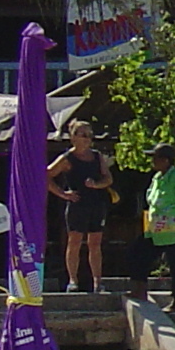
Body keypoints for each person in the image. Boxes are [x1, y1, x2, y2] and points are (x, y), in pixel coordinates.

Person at [129, 143, 175, 315]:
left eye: (156, 158)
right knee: (138, 253)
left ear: (166, 160)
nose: (153, 161)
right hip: (156, 229)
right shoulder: (157, 178)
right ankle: (140, 290)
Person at [47, 120, 115, 295]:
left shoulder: (97, 156)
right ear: (73, 137)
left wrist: (96, 185)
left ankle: (97, 282)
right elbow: (46, 175)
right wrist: (63, 194)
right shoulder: (67, 158)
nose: (87, 139)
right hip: (78, 204)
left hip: (96, 203)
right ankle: (73, 280)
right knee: (75, 241)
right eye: (83, 135)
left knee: (95, 243)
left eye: (89, 135)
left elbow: (108, 178)